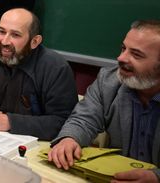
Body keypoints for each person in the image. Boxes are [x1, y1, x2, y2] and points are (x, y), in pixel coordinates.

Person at [48, 20, 160, 182]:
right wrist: (69, 138)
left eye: (136, 54)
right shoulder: (108, 81)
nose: (121, 58)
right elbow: (84, 119)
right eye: (123, 48)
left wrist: (156, 177)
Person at [0, 8, 78, 140]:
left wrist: (10, 122)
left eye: (15, 35)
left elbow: (63, 122)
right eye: (1, 32)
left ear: (34, 41)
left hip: (35, 146)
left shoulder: (55, 68)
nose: (5, 41)